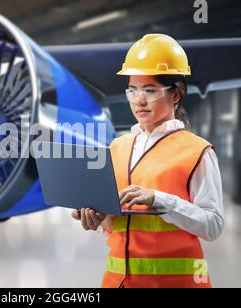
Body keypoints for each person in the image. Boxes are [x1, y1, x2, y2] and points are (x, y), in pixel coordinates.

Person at [71, 34, 225, 288]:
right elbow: (117, 223)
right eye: (132, 90)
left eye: (149, 90)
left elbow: (214, 225)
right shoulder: (116, 148)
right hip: (117, 282)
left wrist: (159, 199)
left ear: (176, 94)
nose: (139, 100)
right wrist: (97, 219)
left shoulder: (197, 151)